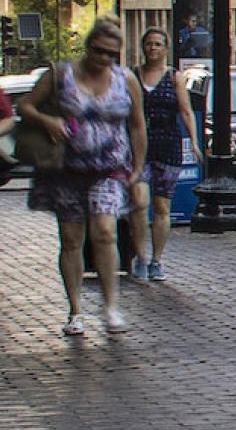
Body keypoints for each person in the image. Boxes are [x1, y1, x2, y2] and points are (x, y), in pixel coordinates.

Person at [17, 18, 146, 336]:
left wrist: (138, 167)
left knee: (105, 231)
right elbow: (24, 106)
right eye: (99, 51)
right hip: (66, 171)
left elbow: (137, 124)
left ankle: (111, 306)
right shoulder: (61, 75)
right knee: (72, 239)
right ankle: (75, 311)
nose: (104, 59)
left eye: (111, 54)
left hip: (109, 169)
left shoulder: (124, 79)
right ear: (88, 47)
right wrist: (48, 121)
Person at [130, 26, 200, 283]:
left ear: (166, 48)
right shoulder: (133, 76)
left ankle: (156, 259)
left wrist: (193, 141)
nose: (153, 48)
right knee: (138, 203)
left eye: (158, 44)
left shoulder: (174, 77)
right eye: (149, 44)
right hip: (138, 147)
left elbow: (185, 110)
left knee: (162, 205)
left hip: (167, 144)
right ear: (143, 47)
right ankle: (139, 255)